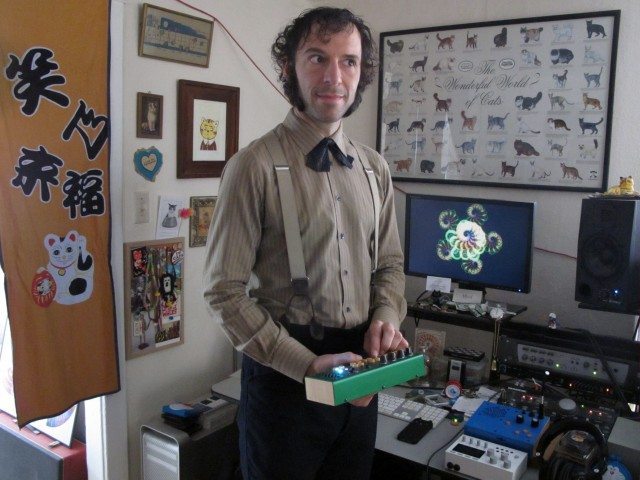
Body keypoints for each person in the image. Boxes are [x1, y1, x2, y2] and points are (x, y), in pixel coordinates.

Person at [203, 7, 407, 479]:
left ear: (362, 73)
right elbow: (223, 292)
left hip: (360, 377)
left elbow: (391, 265)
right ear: (288, 69)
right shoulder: (252, 166)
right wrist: (307, 365)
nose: (334, 76)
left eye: (349, 61)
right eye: (317, 57)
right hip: (284, 381)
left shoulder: (375, 169)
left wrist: (386, 316)